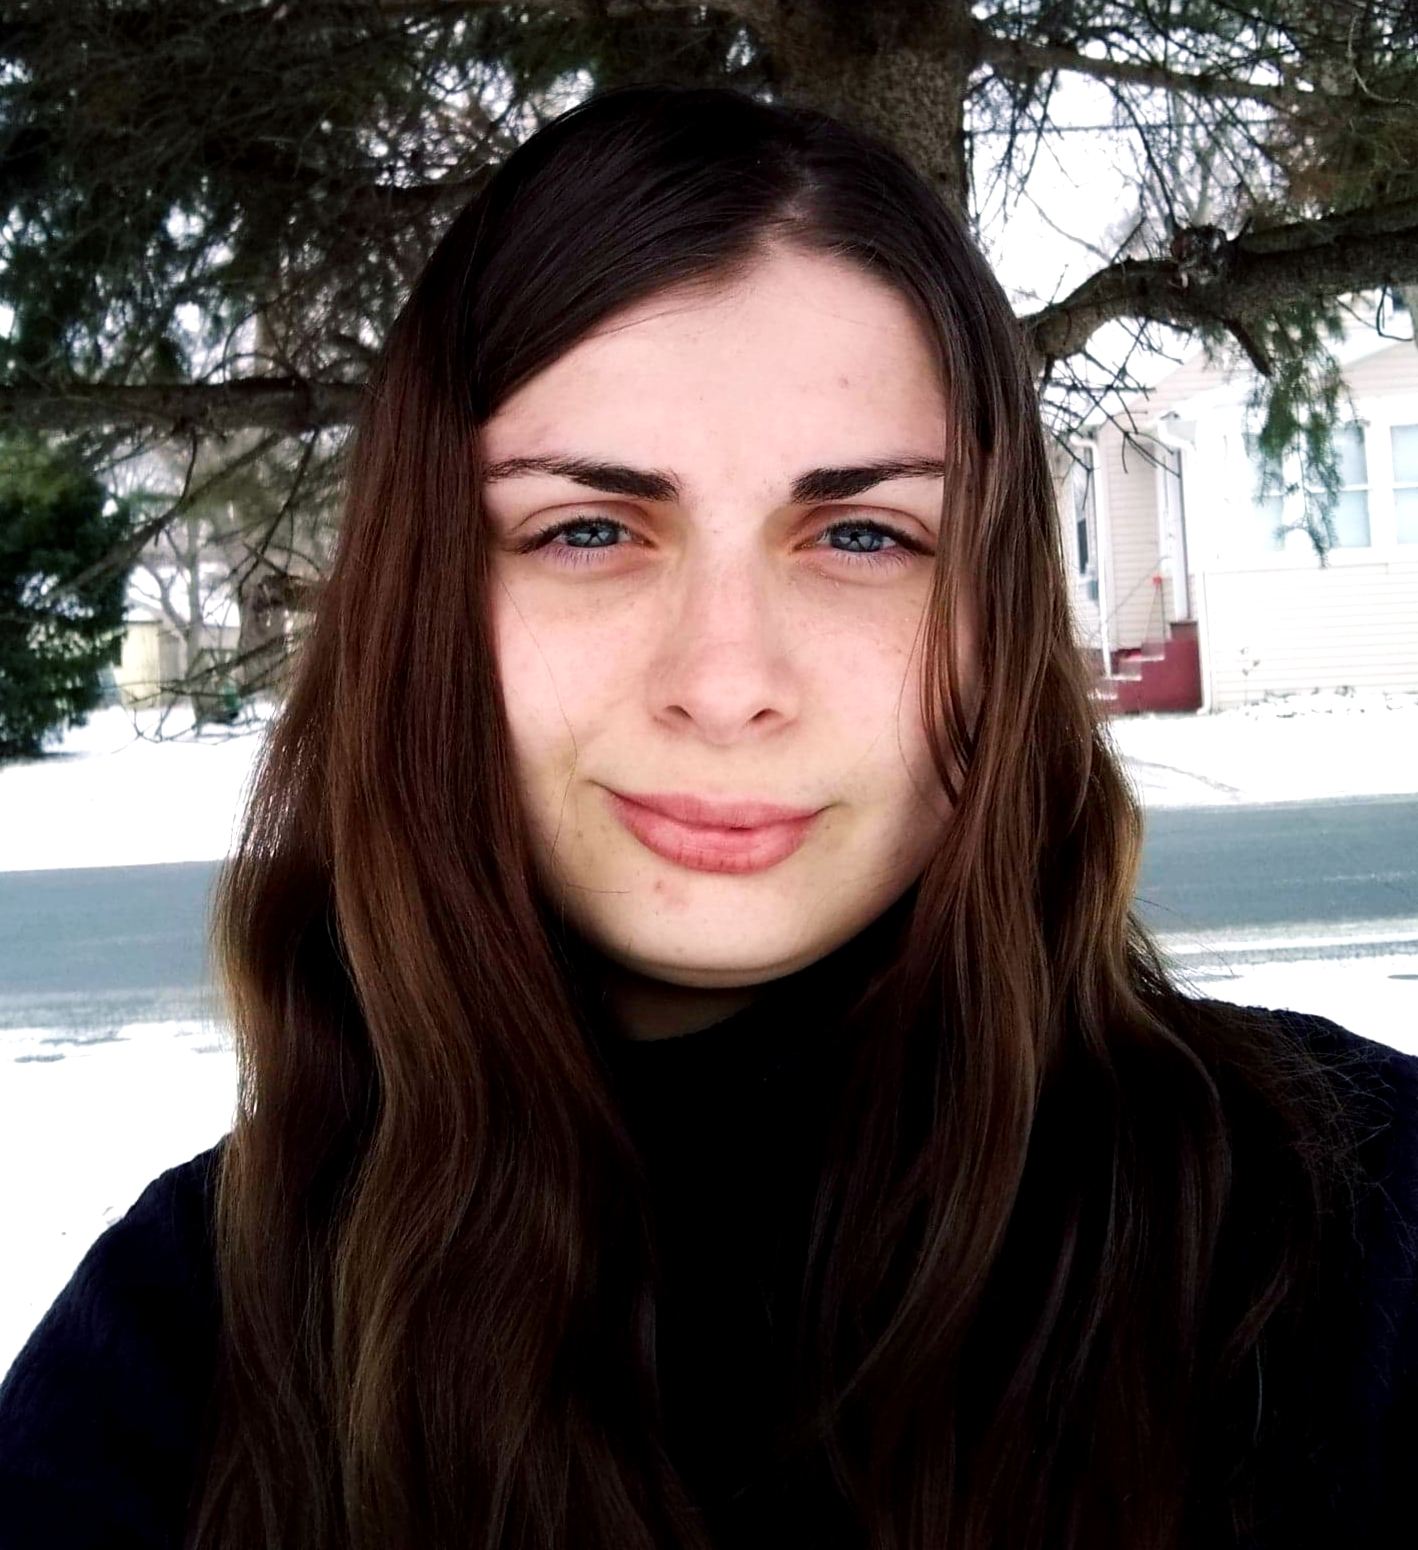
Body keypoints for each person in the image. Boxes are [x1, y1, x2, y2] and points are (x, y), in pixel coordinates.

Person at [0, 83, 1414, 1550]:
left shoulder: (1348, 1228)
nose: (727, 684)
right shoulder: (185, 1347)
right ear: (423, 605)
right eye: (586, 530)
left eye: (862, 534)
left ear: (994, 619)